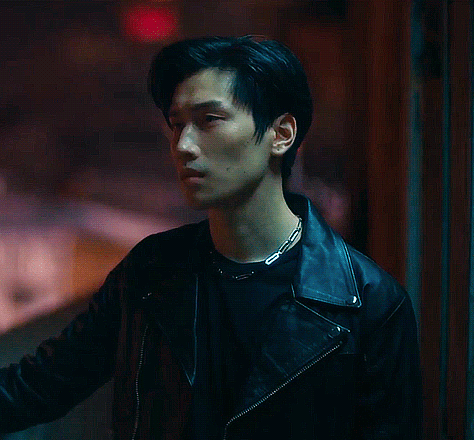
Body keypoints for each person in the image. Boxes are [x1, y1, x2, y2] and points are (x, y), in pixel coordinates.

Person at [0, 36, 422, 439]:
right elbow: (38, 385)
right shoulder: (149, 273)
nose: (183, 145)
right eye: (176, 124)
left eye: (209, 121)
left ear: (281, 134)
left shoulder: (368, 303)